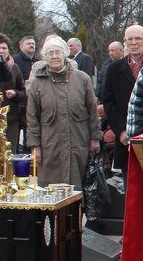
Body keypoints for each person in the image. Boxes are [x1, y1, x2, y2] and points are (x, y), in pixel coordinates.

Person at [25, 36, 101, 187]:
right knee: (50, 191)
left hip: (78, 143)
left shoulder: (82, 79)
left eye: (58, 52)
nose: (54, 56)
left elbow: (93, 110)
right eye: (50, 53)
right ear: (45, 57)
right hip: (50, 146)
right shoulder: (38, 83)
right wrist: (35, 146)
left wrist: (95, 137)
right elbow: (32, 117)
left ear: (65, 54)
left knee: (78, 189)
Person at [101, 24, 143, 178]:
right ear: (125, 41)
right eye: (130, 39)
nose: (134, 42)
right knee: (130, 186)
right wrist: (121, 130)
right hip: (125, 137)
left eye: (138, 38)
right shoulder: (114, 69)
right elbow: (108, 102)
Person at [0, 34, 26, 151]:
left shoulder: (15, 68)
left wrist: (14, 93)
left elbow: (23, 91)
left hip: (11, 118)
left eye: (4, 48)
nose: (1, 51)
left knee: (10, 152)